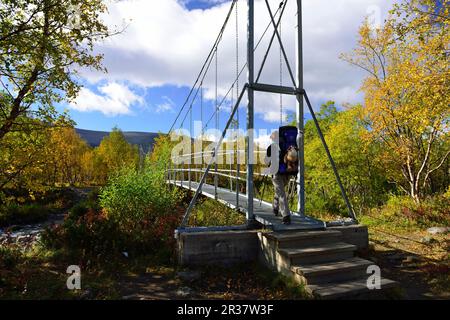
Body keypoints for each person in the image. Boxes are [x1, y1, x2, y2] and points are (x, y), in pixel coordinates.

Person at [264, 131, 298, 225]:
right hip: (288, 172)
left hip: (277, 173)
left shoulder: (271, 147)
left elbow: (266, 162)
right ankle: (276, 208)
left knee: (281, 193)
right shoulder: (290, 146)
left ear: (273, 138)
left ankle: (286, 216)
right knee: (280, 191)